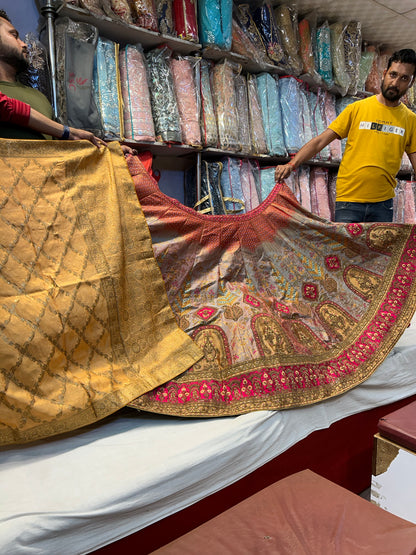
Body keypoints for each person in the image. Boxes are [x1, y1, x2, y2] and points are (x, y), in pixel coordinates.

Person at [275, 49, 416, 223]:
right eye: (393, 75)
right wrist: (291, 164)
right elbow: (320, 141)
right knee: (344, 252)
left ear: (411, 82)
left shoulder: (410, 120)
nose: (395, 83)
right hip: (349, 202)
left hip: (383, 205)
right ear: (384, 74)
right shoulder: (357, 109)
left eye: (404, 78)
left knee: (375, 252)